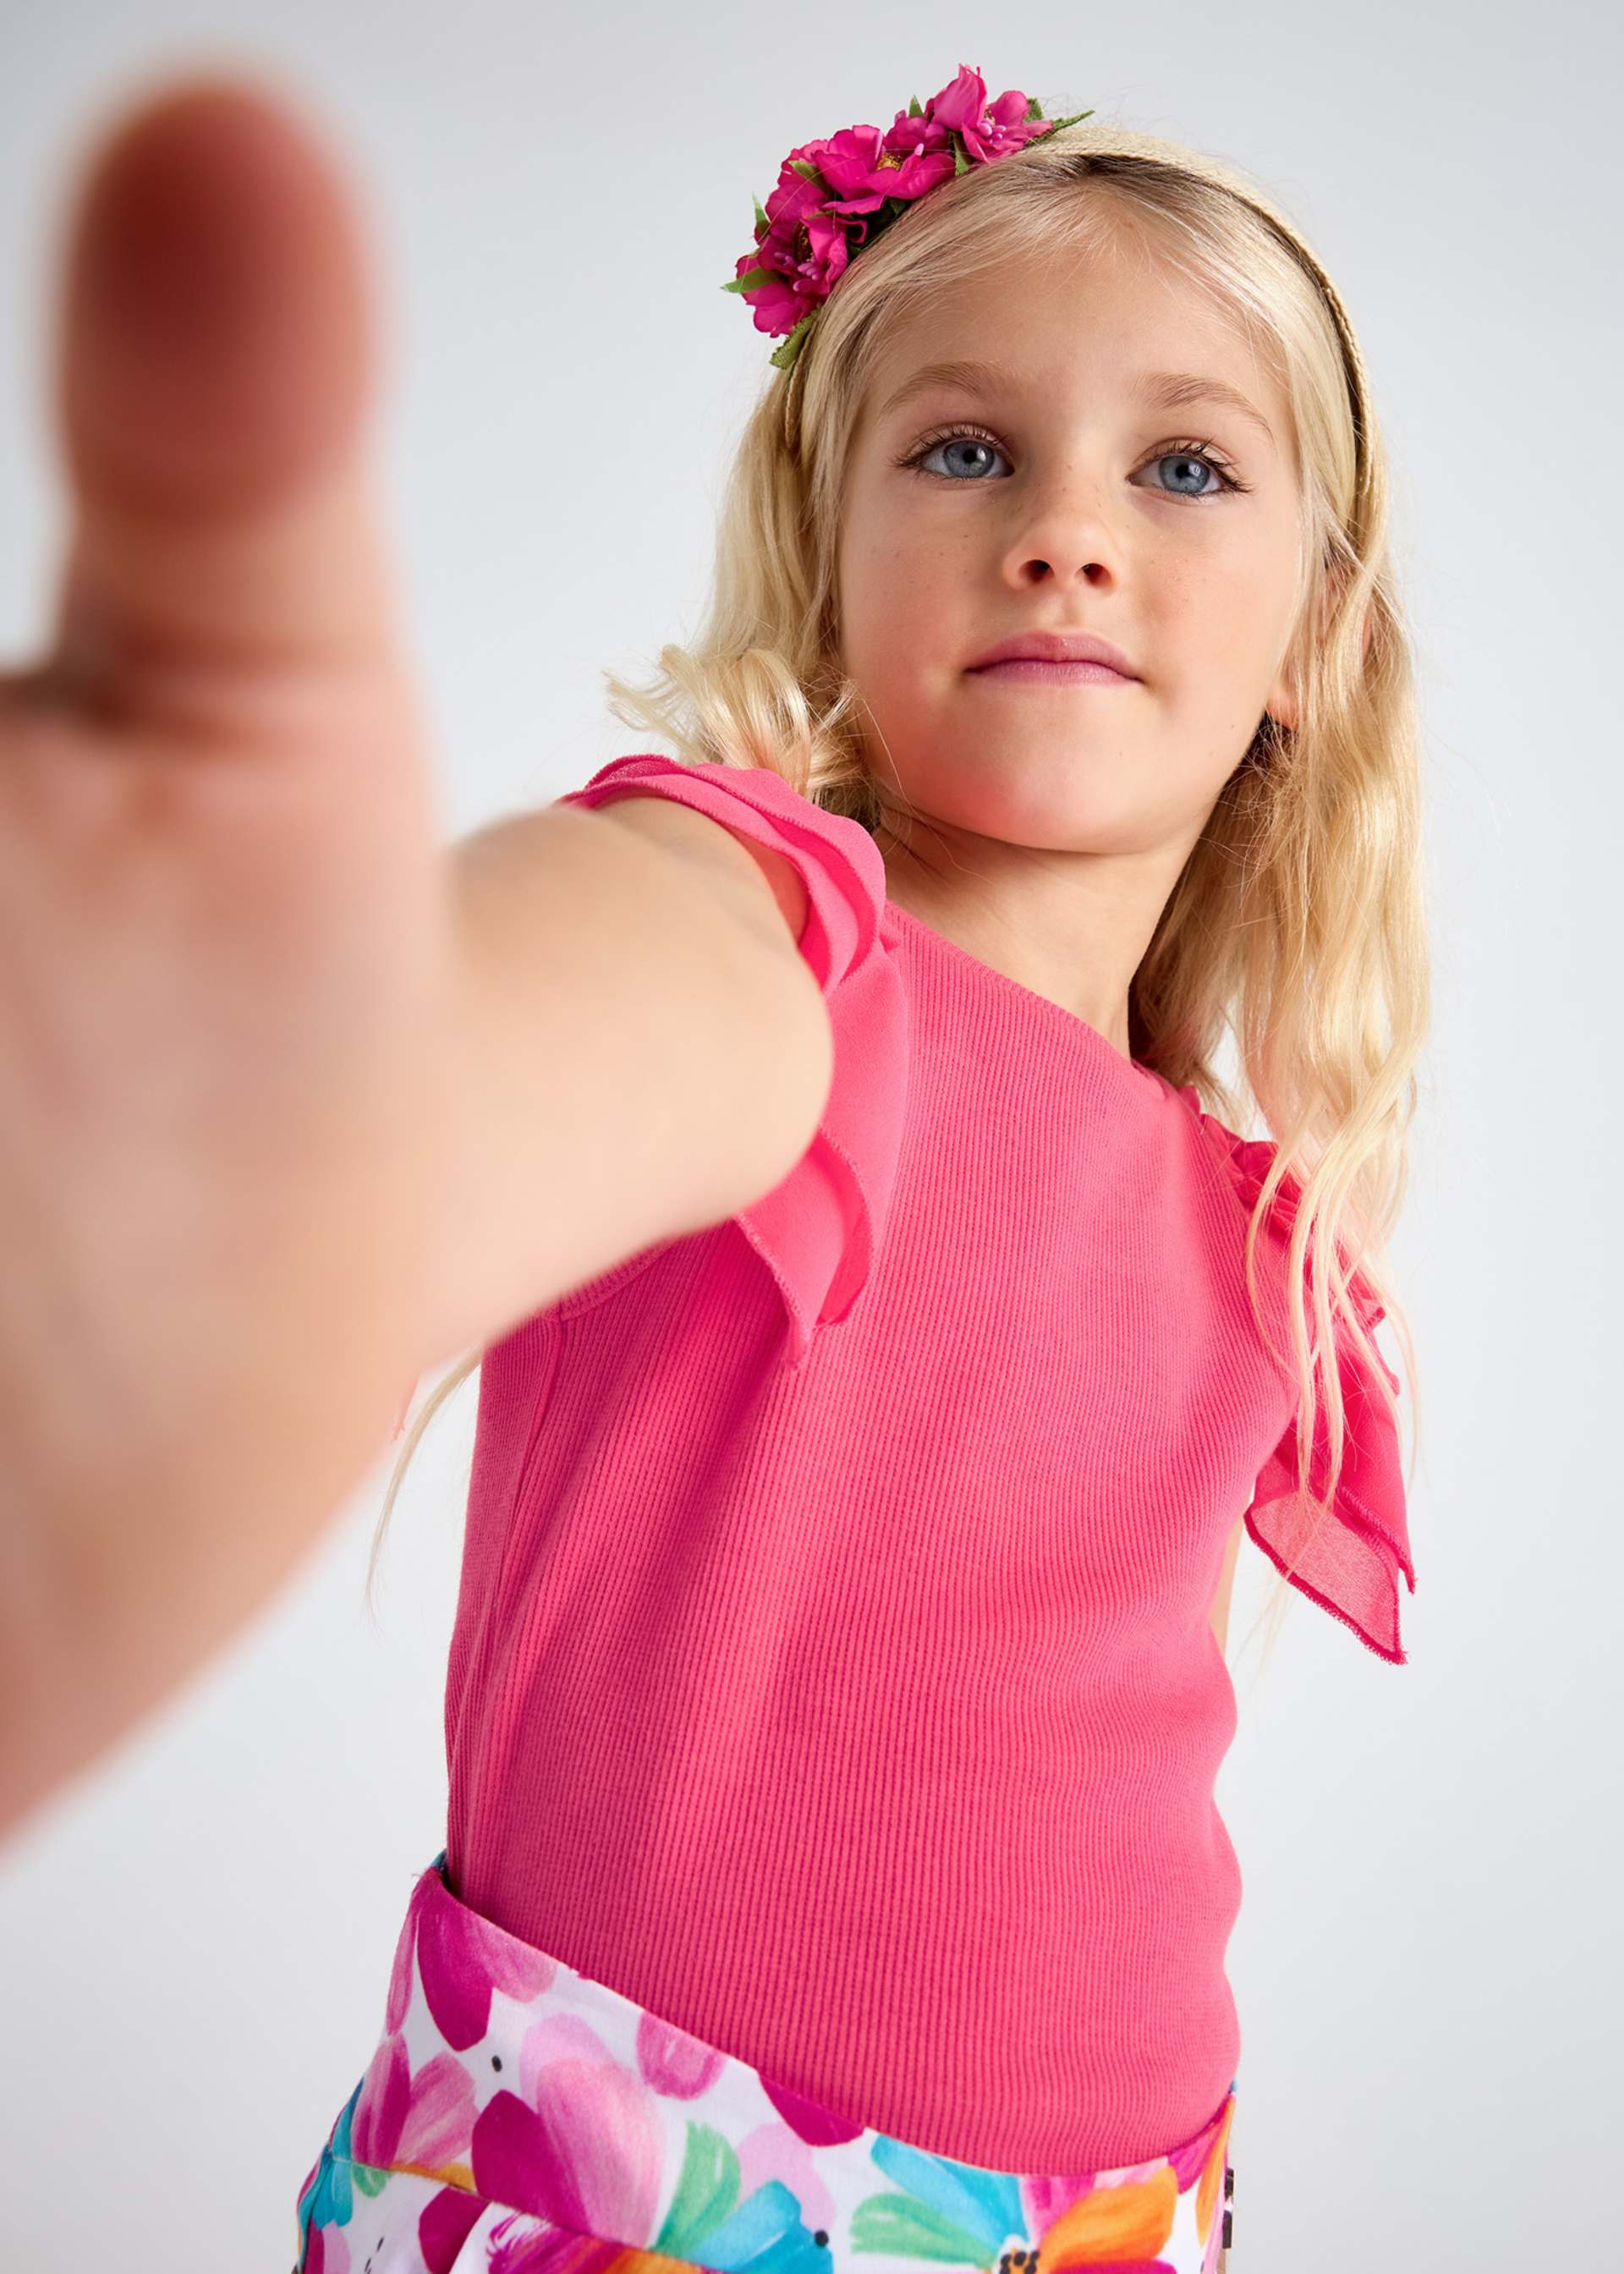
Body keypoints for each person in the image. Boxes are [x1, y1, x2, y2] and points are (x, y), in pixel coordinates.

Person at [0, 56, 1427, 2274]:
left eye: (1183, 464)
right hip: (646, 2213)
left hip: (1137, 2223)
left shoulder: (1247, 1217)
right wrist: (323, 1127)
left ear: (1317, 641)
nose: (1068, 523)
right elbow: (556, 1026)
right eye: (966, 445)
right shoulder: (777, 942)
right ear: (827, 550)